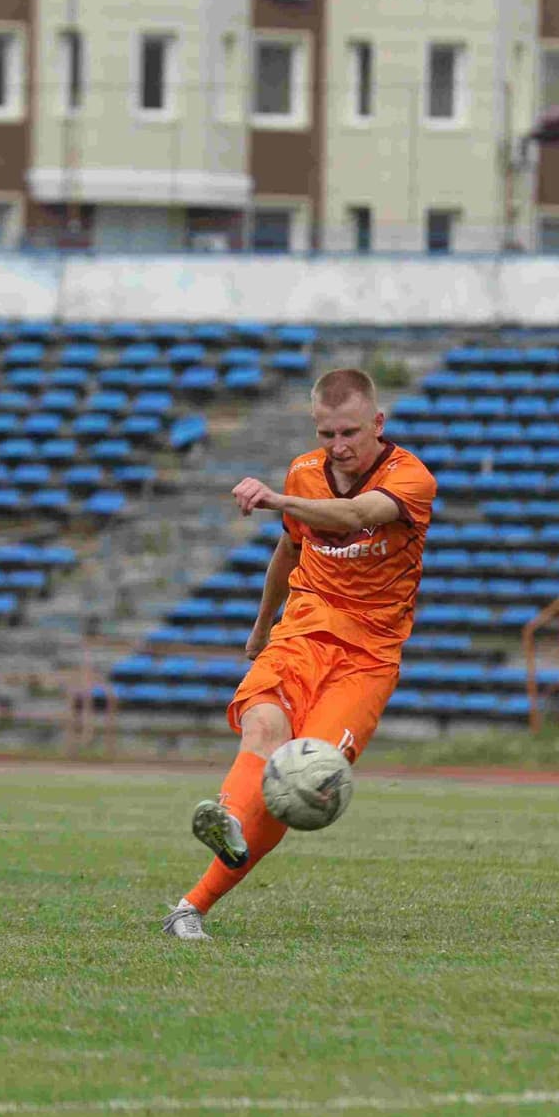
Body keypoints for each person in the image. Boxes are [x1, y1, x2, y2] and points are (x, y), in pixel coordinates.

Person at [163, 369, 436, 941]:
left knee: (299, 782)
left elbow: (357, 515)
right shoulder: (304, 472)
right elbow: (289, 550)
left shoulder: (411, 477)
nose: (338, 446)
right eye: (326, 433)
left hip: (367, 657)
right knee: (263, 727)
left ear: (378, 423)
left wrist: (276, 498)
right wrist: (262, 626)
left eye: (350, 433)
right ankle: (228, 818)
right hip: (302, 633)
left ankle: (194, 902)